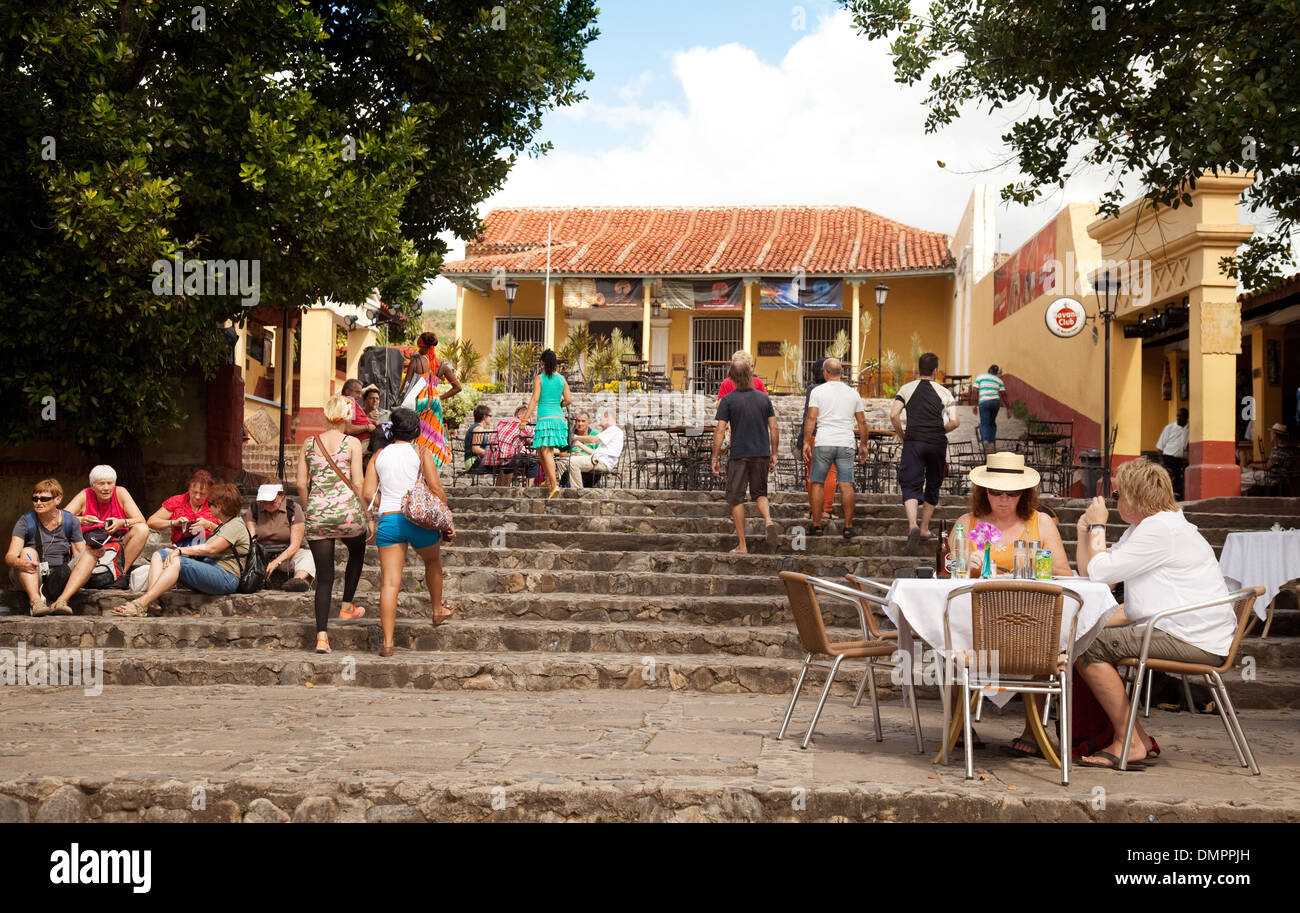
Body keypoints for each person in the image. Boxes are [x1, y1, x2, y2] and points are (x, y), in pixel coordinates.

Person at [1070, 458, 1238, 769]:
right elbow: (1092, 570)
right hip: (1184, 629)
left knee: (1090, 647)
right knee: (1085, 637)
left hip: (1192, 637)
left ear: (1132, 499)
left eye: (1118, 496)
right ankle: (1136, 738)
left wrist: (1097, 526)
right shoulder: (1149, 527)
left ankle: (1130, 740)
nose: (1116, 502)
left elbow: (1101, 574)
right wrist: (1084, 533)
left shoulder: (1159, 530)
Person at [363, 407, 455, 656]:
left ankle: (388, 644)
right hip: (418, 521)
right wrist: (447, 520)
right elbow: (436, 489)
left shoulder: (378, 455)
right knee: (433, 561)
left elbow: (368, 494)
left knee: (390, 584)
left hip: (390, 522)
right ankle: (437, 610)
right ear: (416, 431)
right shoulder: (420, 451)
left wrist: (390, 506)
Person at [297, 394, 376, 654]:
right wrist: (368, 516)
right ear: (346, 417)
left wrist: (311, 508)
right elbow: (357, 483)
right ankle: (346, 606)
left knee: (324, 579)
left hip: (319, 514)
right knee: (357, 550)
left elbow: (300, 484)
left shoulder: (309, 443)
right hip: (347, 515)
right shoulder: (352, 443)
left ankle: (321, 638)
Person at [111, 483, 251, 617]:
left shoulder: (235, 525)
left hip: (226, 577)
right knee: (160, 554)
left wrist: (180, 551)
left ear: (219, 507)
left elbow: (211, 548)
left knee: (177, 561)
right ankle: (152, 599)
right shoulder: (225, 525)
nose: (208, 507)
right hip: (212, 569)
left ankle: (140, 604)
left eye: (210, 504)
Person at [954, 452, 1074, 577]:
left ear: (1023, 493)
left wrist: (1037, 563)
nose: (1004, 498)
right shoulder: (965, 524)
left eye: (1012, 492)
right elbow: (947, 572)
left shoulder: (1042, 523)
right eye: (996, 491)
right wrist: (964, 564)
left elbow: (1064, 575)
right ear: (985, 491)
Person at [891, 352, 960, 554]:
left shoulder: (906, 388)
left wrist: (902, 435)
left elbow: (894, 414)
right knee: (933, 482)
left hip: (914, 441)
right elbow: (955, 421)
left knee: (910, 481)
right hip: (937, 443)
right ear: (936, 371)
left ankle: (912, 524)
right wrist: (940, 430)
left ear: (917, 369)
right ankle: (923, 529)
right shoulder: (944, 392)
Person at [712, 358, 780, 554]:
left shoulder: (728, 400)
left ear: (732, 378)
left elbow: (720, 430)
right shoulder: (764, 399)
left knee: (736, 498)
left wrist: (715, 458)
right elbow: (774, 427)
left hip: (739, 454)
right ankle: (768, 520)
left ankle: (742, 545)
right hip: (761, 453)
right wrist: (774, 453)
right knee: (760, 494)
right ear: (751, 375)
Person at [801, 358, 869, 538]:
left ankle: (816, 525)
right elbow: (861, 421)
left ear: (825, 373)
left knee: (817, 482)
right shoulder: (853, 393)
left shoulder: (818, 391)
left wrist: (807, 442)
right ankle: (848, 526)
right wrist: (863, 445)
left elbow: (811, 419)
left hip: (824, 441)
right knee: (846, 484)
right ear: (841, 373)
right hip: (845, 442)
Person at [6, 479, 88, 616]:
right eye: (35, 499)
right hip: (33, 572)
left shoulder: (71, 521)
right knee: (27, 551)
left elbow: (80, 552)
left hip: (59, 574)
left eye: (44, 499)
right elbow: (10, 556)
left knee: (89, 553)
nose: (38, 503)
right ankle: (36, 602)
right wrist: (19, 562)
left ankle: (62, 601)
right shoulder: (26, 521)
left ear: (58, 499)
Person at [64, 465, 150, 584]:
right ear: (92, 486)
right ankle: (81, 574)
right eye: (101, 484)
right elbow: (61, 518)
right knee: (72, 528)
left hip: (117, 542)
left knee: (142, 529)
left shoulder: (120, 492)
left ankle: (119, 574)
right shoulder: (85, 494)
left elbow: (141, 519)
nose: (106, 488)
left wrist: (121, 522)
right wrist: (82, 520)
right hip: (89, 544)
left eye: (110, 483)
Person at [404, 332, 462, 467]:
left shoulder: (416, 361)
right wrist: (440, 397)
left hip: (419, 400)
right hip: (435, 402)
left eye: (420, 346)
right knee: (433, 433)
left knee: (418, 432)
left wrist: (399, 399)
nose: (418, 349)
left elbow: (407, 384)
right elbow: (457, 387)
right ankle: (433, 463)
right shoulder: (442, 365)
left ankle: (417, 463)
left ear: (425, 347)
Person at [522, 348, 572, 498]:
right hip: (559, 419)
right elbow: (569, 400)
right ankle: (548, 480)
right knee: (540, 450)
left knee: (546, 451)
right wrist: (559, 405)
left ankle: (554, 485)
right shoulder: (562, 379)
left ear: (542, 362)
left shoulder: (540, 378)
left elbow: (535, 399)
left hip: (545, 419)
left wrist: (524, 419)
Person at [245, 483, 314, 592]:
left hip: (287, 554)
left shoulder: (293, 508)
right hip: (263, 554)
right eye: (264, 502)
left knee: (308, 556)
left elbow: (295, 545)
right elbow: (251, 540)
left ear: (281, 495)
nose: (267, 505)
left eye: (271, 502)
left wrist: (276, 562)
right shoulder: (254, 509)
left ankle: (297, 581)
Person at [799, 359, 838, 524]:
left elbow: (809, 416)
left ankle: (813, 509)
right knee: (830, 473)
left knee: (812, 474)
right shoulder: (839, 390)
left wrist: (803, 440)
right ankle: (826, 510)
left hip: (813, 435)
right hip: (831, 434)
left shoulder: (812, 389)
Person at [148, 470, 218, 547]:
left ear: (209, 493)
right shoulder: (177, 501)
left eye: (202, 494)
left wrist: (208, 525)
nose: (197, 497)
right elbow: (151, 522)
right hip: (182, 547)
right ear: (189, 488)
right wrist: (173, 523)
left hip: (209, 547)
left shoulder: (214, 504)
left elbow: (228, 531)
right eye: (194, 492)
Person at [561, 410, 624, 490]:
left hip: (602, 462)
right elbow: (596, 452)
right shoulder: (610, 432)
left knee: (572, 461)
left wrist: (576, 437)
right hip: (599, 459)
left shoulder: (613, 430)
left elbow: (593, 439)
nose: (599, 421)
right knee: (566, 462)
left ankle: (577, 491)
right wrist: (580, 445)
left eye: (601, 419)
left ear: (607, 418)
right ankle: (570, 487)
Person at [486, 404, 537, 486]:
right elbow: (534, 439)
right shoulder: (522, 425)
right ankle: (528, 490)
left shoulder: (503, 422)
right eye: (528, 416)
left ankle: (499, 489)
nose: (529, 419)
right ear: (519, 415)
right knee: (533, 460)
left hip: (491, 459)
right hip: (506, 460)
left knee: (510, 457)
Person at [971, 364, 1010, 452]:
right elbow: (1004, 395)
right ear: (996, 372)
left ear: (989, 370)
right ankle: (991, 442)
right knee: (992, 423)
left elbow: (974, 391)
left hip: (984, 402)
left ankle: (986, 441)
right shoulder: (999, 380)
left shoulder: (981, 377)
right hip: (995, 403)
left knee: (984, 423)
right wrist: (1008, 408)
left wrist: (974, 404)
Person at [1154, 407, 1189, 499]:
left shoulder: (1189, 429)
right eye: (1177, 416)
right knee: (1167, 479)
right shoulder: (1169, 428)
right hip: (1169, 458)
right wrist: (1161, 462)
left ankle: (1175, 499)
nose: (1178, 418)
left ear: (1186, 417)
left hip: (1181, 460)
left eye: (1181, 416)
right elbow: (1160, 446)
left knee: (1178, 482)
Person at [341, 378, 377, 446]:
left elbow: (356, 420)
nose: (360, 396)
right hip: (361, 442)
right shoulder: (346, 403)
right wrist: (367, 427)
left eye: (360, 393)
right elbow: (348, 429)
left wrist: (373, 422)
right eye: (357, 392)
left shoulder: (351, 402)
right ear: (348, 391)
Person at [463, 404, 494, 471]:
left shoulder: (476, 427)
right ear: (484, 417)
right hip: (474, 463)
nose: (491, 418)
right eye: (490, 416)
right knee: (505, 466)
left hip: (475, 460)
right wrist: (492, 454)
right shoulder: (478, 429)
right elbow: (475, 449)